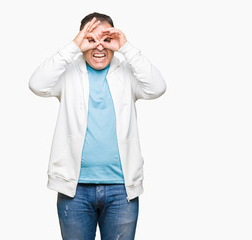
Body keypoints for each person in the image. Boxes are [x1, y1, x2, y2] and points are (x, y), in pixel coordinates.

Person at [29, 12, 166, 240]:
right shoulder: (68, 72)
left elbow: (157, 87)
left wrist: (127, 47)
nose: (99, 47)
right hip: (75, 190)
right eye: (91, 40)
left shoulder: (126, 72)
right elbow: (37, 84)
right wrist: (73, 46)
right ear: (81, 42)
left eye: (106, 39)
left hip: (121, 190)